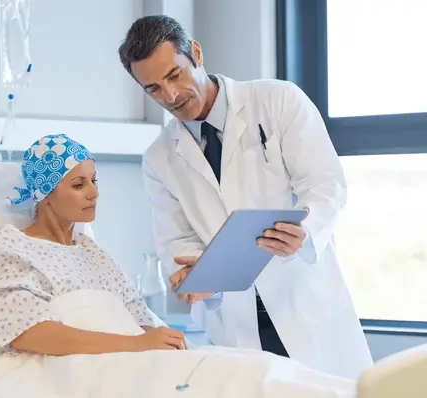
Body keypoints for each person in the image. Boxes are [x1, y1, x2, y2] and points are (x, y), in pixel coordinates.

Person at [117, 15, 373, 380]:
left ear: (197, 54)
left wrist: (307, 229)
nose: (171, 96)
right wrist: (190, 277)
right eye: (154, 89)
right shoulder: (159, 159)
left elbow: (326, 185)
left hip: (304, 302)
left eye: (175, 75)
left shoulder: (277, 100)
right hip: (234, 323)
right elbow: (176, 243)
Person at [0, 133, 188, 366]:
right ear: (44, 194)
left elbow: (137, 315)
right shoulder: (12, 248)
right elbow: (26, 331)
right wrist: (136, 345)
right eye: (79, 185)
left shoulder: (93, 252)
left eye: (94, 180)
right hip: (78, 366)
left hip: (134, 360)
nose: (94, 192)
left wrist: (157, 343)